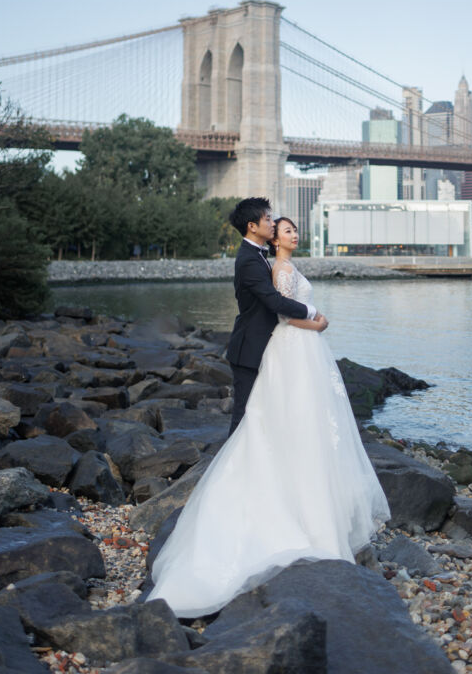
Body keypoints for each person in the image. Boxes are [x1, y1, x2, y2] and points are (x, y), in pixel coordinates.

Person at [146, 214, 390, 618]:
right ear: (273, 237)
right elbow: (281, 312)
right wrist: (316, 322)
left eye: (295, 229)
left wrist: (312, 324)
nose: (295, 234)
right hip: (294, 346)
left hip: (301, 349)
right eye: (287, 230)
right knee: (289, 421)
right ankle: (295, 513)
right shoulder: (275, 267)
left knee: (303, 424)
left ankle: (312, 505)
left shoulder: (281, 264)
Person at [225, 197, 327, 436]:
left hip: (265, 344)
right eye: (268, 218)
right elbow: (274, 302)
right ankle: (232, 470)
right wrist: (312, 313)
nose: (272, 223)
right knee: (244, 415)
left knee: (263, 412)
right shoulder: (249, 260)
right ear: (252, 226)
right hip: (249, 348)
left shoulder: (258, 255)